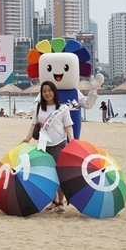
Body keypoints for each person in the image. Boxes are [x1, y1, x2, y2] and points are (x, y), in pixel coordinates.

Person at [22, 81, 74, 213]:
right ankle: (54, 200)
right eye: (44, 91)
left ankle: (61, 202)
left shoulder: (63, 108)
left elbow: (68, 125)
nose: (47, 93)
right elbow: (33, 124)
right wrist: (27, 139)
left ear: (54, 91)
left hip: (59, 145)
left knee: (59, 174)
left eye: (49, 90)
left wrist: (72, 140)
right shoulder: (39, 108)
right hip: (43, 145)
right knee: (47, 174)